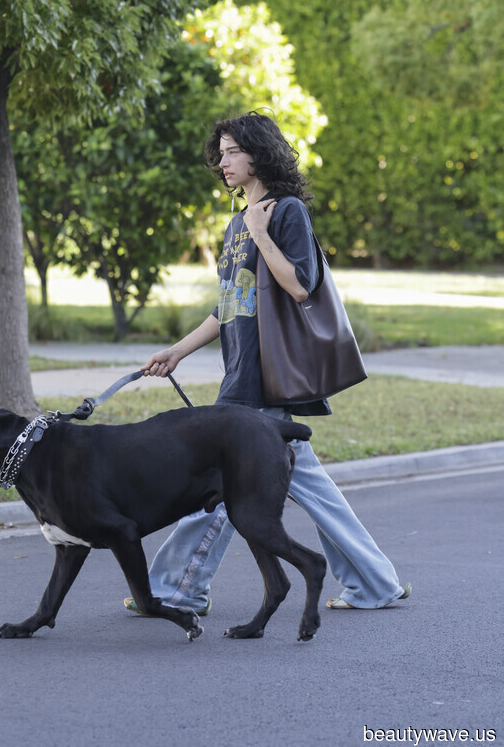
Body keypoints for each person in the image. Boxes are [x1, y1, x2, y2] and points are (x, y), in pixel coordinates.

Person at [124, 111, 410, 616]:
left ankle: (177, 587)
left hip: (267, 379)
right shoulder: (237, 224)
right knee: (308, 488)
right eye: (221, 151)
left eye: (234, 150)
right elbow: (230, 306)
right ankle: (376, 582)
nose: (223, 160)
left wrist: (261, 233)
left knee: (219, 484)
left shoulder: (285, 212)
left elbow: (301, 284)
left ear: (260, 154)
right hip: (244, 372)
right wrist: (176, 351)